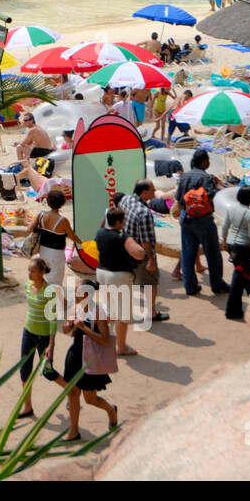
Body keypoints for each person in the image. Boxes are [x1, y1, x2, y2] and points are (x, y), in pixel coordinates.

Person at [57, 281, 118, 441]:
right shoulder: (75, 308)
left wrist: (84, 329)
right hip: (75, 355)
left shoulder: (98, 313)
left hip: (90, 359)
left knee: (90, 399)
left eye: (78, 293)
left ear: (88, 296)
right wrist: (69, 324)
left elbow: (105, 340)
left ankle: (111, 410)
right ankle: (74, 431)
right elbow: (64, 329)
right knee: (72, 393)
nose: (75, 296)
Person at [176, 150, 229, 296]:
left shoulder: (184, 177)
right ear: (204, 162)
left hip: (186, 218)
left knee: (188, 253)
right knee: (212, 253)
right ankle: (217, 284)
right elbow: (211, 197)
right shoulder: (207, 178)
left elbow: (179, 200)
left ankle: (190, 287)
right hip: (204, 220)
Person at [95, 207, 145, 356]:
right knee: (122, 315)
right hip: (118, 276)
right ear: (118, 222)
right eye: (123, 220)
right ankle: (121, 347)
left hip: (102, 273)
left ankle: (99, 336)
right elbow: (139, 253)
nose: (124, 223)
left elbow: (103, 224)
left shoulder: (100, 233)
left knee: (110, 309)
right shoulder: (121, 237)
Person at [18, 256, 59, 418]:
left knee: (48, 372)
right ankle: (28, 406)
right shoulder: (28, 286)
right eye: (28, 270)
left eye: (33, 271)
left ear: (42, 273)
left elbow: (52, 319)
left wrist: (51, 344)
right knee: (24, 371)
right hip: (28, 332)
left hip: (43, 337)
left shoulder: (49, 291)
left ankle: (72, 391)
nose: (29, 274)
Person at [123, 180, 166, 322]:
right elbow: (146, 240)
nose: (155, 191)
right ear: (144, 192)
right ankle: (151, 313)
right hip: (141, 253)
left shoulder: (126, 200)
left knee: (132, 279)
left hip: (127, 248)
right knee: (151, 282)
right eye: (153, 189)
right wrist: (152, 260)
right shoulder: (144, 213)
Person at [23, 190, 79, 286]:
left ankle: (44, 298)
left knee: (45, 278)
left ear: (48, 202)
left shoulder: (41, 215)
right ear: (63, 203)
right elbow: (72, 236)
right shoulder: (63, 221)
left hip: (42, 252)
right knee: (55, 283)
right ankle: (52, 299)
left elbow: (28, 230)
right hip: (56, 255)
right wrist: (84, 244)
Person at [222, 186, 250, 320]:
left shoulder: (231, 208)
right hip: (243, 249)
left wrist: (223, 240)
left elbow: (225, 226)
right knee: (239, 279)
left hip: (231, 246)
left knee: (244, 276)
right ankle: (233, 311)